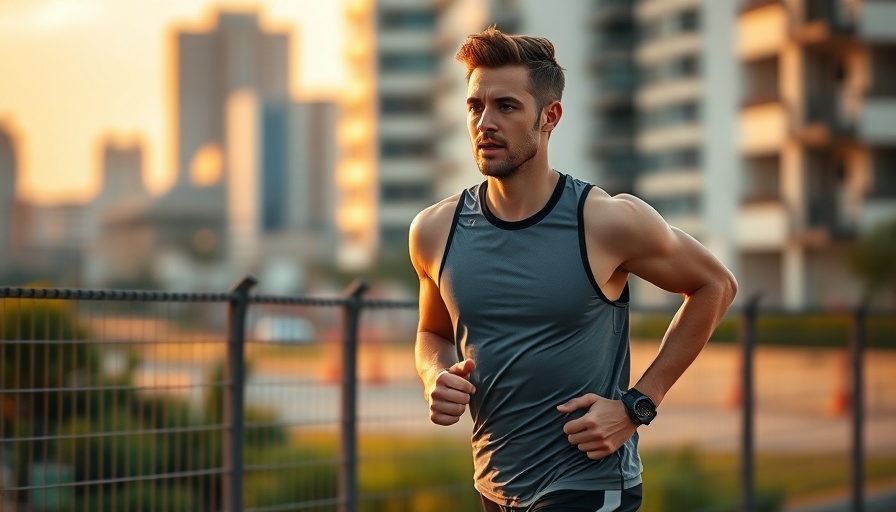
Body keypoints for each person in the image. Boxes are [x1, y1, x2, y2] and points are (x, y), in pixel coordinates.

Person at [408, 27, 737, 512]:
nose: (485, 123)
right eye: (475, 106)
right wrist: (435, 374)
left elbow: (717, 285)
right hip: (494, 486)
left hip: (588, 483)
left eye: (506, 106)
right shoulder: (435, 230)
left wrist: (637, 405)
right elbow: (432, 333)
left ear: (550, 117)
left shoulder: (604, 221)